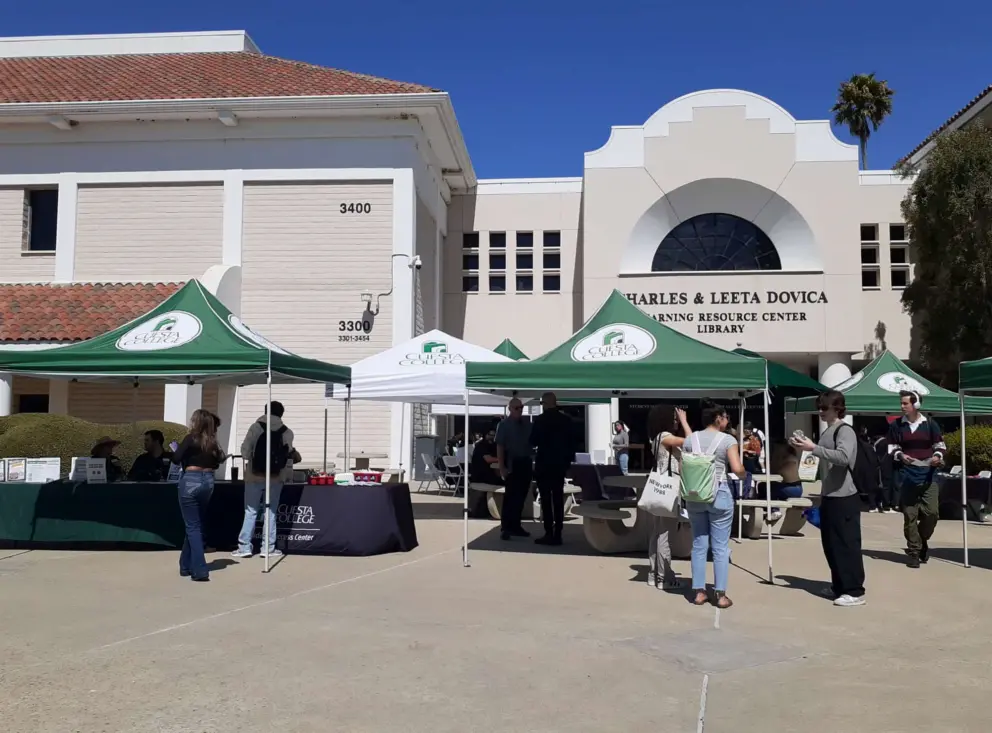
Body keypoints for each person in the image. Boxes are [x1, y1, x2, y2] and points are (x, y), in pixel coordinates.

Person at [791, 390, 866, 606]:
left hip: (845, 495)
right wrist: (805, 447)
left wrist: (813, 447)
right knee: (831, 543)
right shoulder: (828, 431)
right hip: (830, 494)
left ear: (837, 408)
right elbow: (821, 455)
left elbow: (843, 457)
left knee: (847, 543)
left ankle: (854, 590)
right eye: (819, 407)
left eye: (825, 407)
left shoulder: (845, 431)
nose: (821, 411)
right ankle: (839, 586)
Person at [682, 400, 745, 609]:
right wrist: (744, 474)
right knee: (720, 547)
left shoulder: (691, 439)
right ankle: (720, 594)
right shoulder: (728, 440)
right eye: (726, 417)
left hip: (695, 495)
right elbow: (736, 468)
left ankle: (699, 591)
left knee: (699, 544)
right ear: (718, 418)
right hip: (719, 495)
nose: (727, 421)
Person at [233, 401, 301, 559]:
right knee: (270, 512)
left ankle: (244, 547)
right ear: (281, 414)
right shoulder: (287, 432)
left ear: (265, 411)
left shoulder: (255, 428)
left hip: (254, 476)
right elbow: (288, 454)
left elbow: (244, 452)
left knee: (250, 511)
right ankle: (268, 548)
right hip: (276, 477)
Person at [887, 390, 944, 568]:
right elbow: (891, 447)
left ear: (916, 404)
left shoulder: (930, 424)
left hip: (929, 475)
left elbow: (940, 445)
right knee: (909, 515)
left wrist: (937, 456)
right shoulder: (897, 425)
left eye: (905, 403)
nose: (902, 406)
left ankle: (921, 539)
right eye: (902, 403)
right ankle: (914, 551)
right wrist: (901, 456)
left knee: (932, 513)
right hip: (907, 475)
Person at [171, 409, 226, 581]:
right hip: (208, 481)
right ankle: (185, 565)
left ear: (197, 422)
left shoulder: (190, 438)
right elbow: (217, 463)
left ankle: (200, 569)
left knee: (193, 526)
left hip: (191, 479)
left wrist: (179, 452)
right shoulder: (212, 442)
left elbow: (175, 458)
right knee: (194, 524)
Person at [645, 404, 693, 589]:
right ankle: (664, 577)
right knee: (664, 534)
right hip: (669, 490)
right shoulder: (665, 437)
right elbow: (691, 441)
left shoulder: (656, 438)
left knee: (657, 533)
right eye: (673, 418)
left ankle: (654, 573)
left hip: (659, 489)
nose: (675, 421)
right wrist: (684, 421)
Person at [530, 392, 576, 546]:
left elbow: (533, 440)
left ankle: (549, 532)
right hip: (559, 465)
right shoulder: (566, 420)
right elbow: (572, 444)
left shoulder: (540, 420)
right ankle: (558, 533)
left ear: (544, 404)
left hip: (544, 463)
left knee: (545, 499)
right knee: (557, 498)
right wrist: (567, 462)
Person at [496, 398, 533, 541]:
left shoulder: (527, 424)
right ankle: (506, 527)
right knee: (510, 496)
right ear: (510, 408)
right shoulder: (504, 425)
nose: (520, 410)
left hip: (525, 462)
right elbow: (500, 446)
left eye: (521, 407)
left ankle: (516, 525)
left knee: (522, 496)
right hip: (512, 462)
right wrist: (501, 467)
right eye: (517, 408)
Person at [764, 441, 804, 522]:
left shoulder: (788, 459)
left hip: (792, 488)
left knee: (767, 488)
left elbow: (775, 471)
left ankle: (774, 510)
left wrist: (774, 459)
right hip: (797, 488)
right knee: (767, 486)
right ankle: (769, 509)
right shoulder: (792, 457)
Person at [871, 432, 898, 514]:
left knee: (882, 485)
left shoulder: (878, 442)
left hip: (880, 466)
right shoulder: (887, 443)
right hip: (886, 466)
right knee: (886, 486)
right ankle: (885, 506)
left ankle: (880, 504)